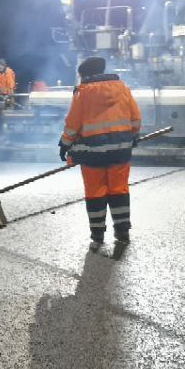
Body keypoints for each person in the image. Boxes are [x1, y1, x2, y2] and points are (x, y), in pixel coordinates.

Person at [60, 57, 142, 251]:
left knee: (95, 191)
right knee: (119, 189)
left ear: (86, 75)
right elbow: (135, 116)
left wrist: (64, 143)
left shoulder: (83, 93)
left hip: (92, 153)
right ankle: (122, 231)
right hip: (120, 149)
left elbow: (73, 123)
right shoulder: (122, 88)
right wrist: (134, 134)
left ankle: (98, 234)